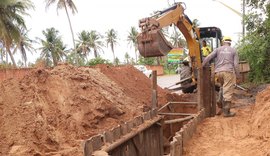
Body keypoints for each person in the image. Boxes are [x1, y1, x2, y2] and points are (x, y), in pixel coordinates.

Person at [202, 36, 239, 117]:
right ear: (230, 42)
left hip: (218, 72)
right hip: (228, 72)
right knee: (228, 90)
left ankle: (219, 99)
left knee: (223, 86)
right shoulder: (233, 50)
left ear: (223, 42)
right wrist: (238, 75)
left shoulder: (218, 49)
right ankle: (226, 112)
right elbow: (236, 65)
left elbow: (208, 57)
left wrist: (202, 65)